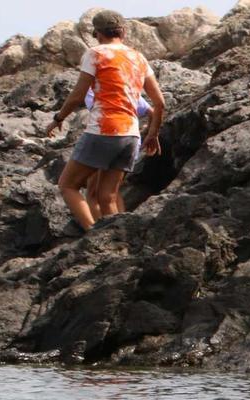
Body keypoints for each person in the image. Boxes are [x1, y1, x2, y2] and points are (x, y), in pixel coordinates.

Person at [45, 10, 165, 234]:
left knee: (68, 185)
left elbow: (78, 95)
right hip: (131, 135)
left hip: (104, 129)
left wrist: (58, 118)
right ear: (124, 32)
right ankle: (118, 239)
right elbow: (159, 103)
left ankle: (93, 235)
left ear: (97, 34)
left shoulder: (96, 53)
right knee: (107, 196)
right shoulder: (139, 58)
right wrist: (153, 133)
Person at [82, 90, 152, 220]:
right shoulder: (126, 86)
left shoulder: (94, 87)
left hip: (106, 138)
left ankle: (97, 232)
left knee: (94, 192)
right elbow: (151, 112)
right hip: (131, 140)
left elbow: (101, 111)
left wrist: (58, 118)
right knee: (112, 191)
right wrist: (150, 134)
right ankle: (121, 226)